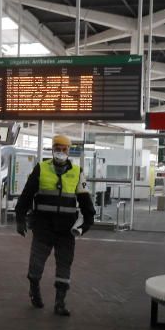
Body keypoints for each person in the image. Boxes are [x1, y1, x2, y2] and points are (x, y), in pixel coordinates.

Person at [15, 134, 95, 316]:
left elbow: (85, 201)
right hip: (43, 227)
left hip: (66, 230)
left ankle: (60, 302)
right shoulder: (41, 169)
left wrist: (86, 223)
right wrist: (20, 218)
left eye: (64, 149)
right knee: (36, 264)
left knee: (64, 264)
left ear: (69, 150)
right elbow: (27, 195)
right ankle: (34, 290)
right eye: (57, 148)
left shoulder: (77, 172)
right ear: (52, 150)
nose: (60, 152)